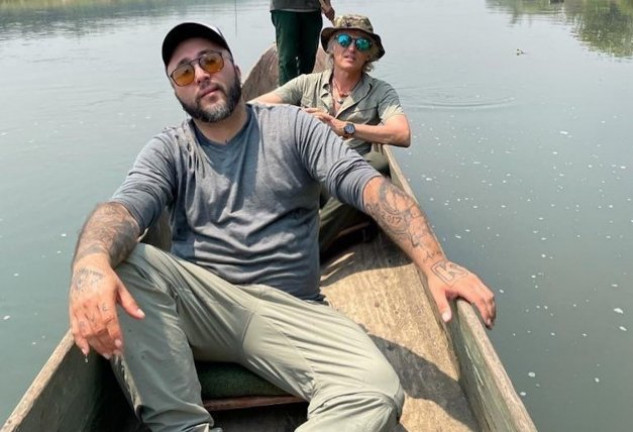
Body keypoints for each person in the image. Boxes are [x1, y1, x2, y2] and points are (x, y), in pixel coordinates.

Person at [68, 22, 496, 432]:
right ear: (176, 89)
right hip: (205, 307)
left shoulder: (294, 127)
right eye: (184, 71)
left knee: (376, 391)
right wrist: (90, 264)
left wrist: (437, 264)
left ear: (234, 69)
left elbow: (368, 187)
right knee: (122, 261)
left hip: (292, 311)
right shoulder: (169, 148)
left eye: (211, 62)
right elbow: (121, 210)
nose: (200, 75)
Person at [254, 14, 411, 254]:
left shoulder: (380, 91)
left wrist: (344, 127)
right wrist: (298, 117)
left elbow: (401, 134)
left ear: (369, 54)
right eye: (345, 40)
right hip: (311, 178)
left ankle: (301, 251)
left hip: (351, 180)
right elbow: (253, 109)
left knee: (377, 162)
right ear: (331, 46)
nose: (351, 48)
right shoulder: (306, 84)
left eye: (361, 44)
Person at [270, 0, 335, 85]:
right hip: (285, 9)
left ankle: (304, 90)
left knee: (309, 57)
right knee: (288, 58)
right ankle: (288, 93)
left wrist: (328, 5)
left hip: (312, 10)